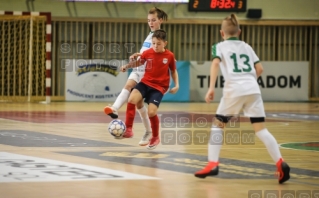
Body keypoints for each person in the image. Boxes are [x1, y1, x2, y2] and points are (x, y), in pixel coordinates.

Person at [194, 14, 290, 184]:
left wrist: (211, 88)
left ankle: (213, 163)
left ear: (221, 33)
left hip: (234, 90)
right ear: (240, 31)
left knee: (218, 125)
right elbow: (260, 68)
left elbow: (215, 63)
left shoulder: (219, 46)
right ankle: (280, 162)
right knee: (261, 129)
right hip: (253, 89)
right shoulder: (247, 46)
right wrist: (250, 82)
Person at [104, 7, 168, 146]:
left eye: (153, 20)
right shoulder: (149, 35)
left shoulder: (159, 37)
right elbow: (146, 52)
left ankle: (145, 130)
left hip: (147, 73)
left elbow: (158, 53)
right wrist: (138, 55)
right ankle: (146, 130)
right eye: (148, 20)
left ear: (160, 20)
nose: (150, 23)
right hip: (140, 67)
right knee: (136, 101)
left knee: (135, 98)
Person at [120, 29, 179, 150]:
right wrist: (127, 66)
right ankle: (129, 129)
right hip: (145, 82)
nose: (155, 46)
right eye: (153, 43)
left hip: (159, 87)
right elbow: (138, 63)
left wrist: (177, 85)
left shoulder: (170, 56)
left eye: (158, 44)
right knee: (131, 99)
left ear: (165, 43)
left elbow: (173, 71)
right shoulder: (147, 53)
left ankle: (155, 137)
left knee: (151, 112)